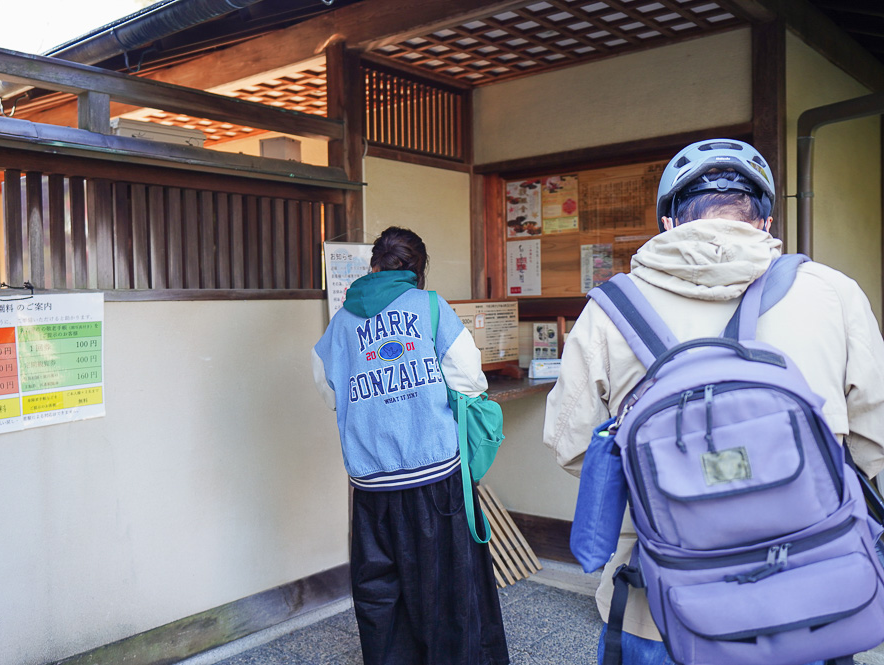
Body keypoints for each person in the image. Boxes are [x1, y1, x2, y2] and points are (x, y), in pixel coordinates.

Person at [542, 138, 884, 664]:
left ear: (668, 223)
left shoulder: (609, 310)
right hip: (809, 594)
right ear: (765, 221)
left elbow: (574, 450)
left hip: (663, 599)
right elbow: (872, 442)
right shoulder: (834, 292)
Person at [312, 226, 510, 665]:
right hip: (435, 477)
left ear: (373, 267)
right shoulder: (431, 307)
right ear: (418, 270)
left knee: (381, 594)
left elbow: (330, 394)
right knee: (447, 591)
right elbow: (470, 381)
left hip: (371, 486)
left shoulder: (340, 324)